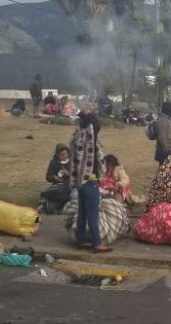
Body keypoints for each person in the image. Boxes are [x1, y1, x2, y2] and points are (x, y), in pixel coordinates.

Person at [70, 104, 110, 253]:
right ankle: (97, 243)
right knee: (93, 214)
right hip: (90, 179)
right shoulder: (90, 140)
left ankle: (81, 241)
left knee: (82, 213)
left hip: (80, 180)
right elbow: (100, 162)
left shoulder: (77, 136)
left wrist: (85, 115)